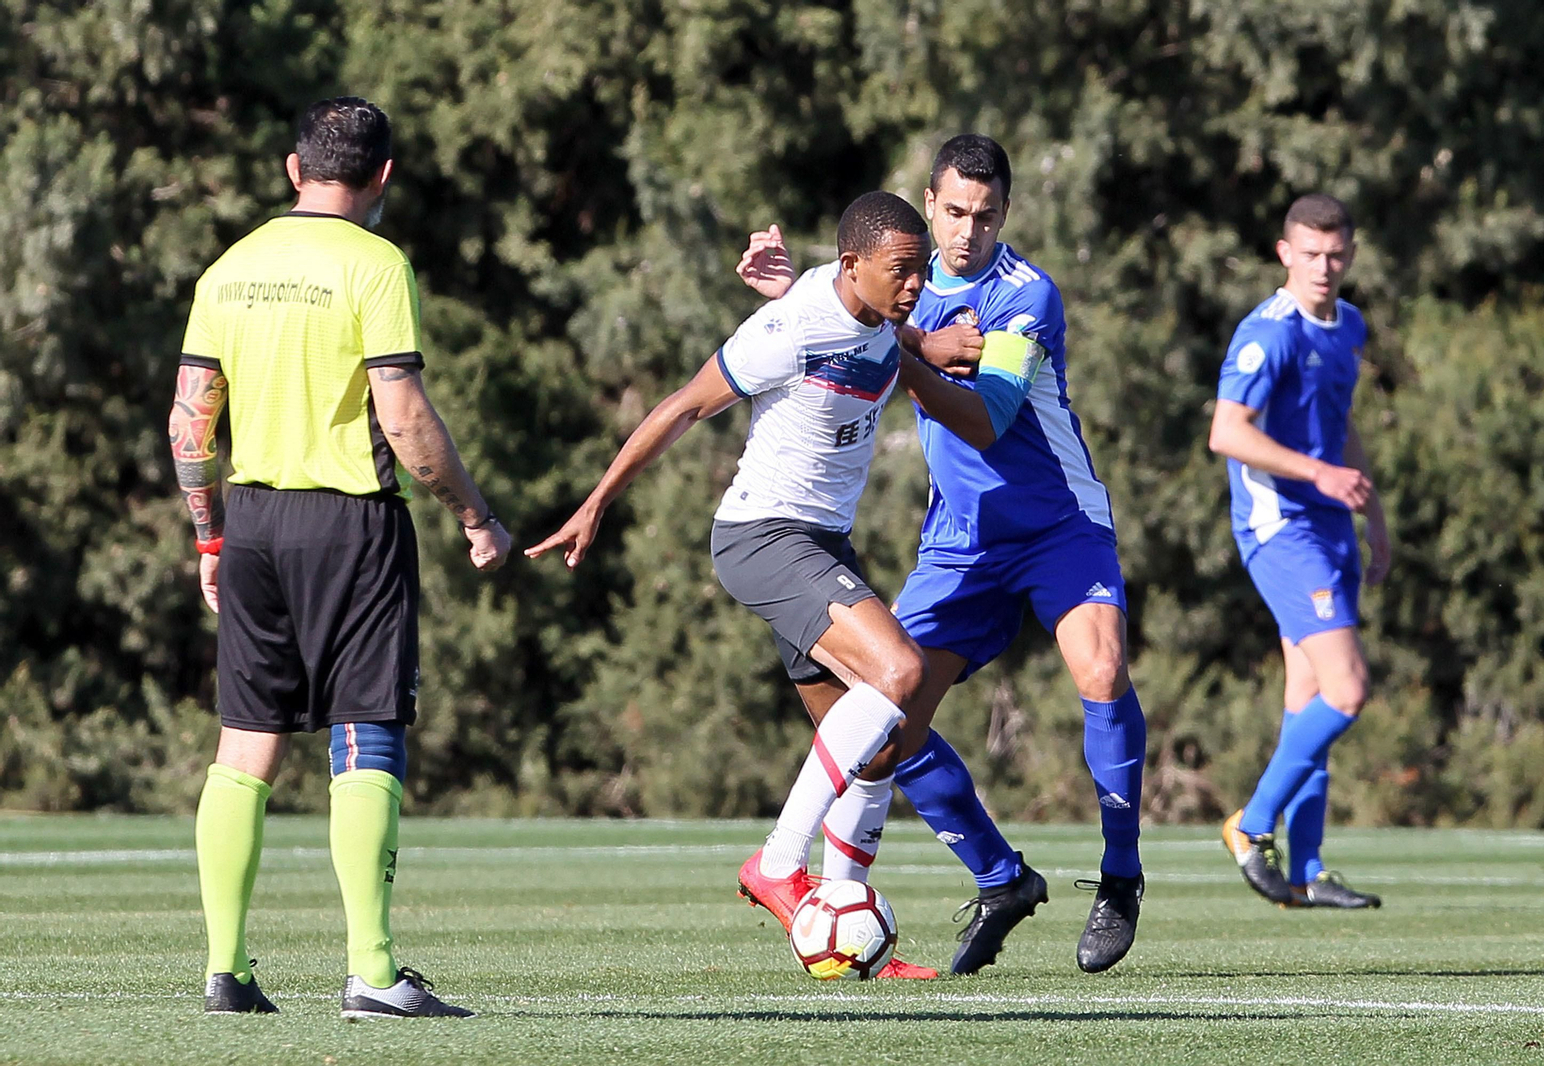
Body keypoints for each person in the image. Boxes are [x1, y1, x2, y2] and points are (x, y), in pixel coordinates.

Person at [529, 191, 999, 979]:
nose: (916, 284)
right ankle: (779, 864)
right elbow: (682, 407)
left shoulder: (880, 315)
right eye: (902, 271)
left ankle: (853, 930)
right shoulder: (792, 325)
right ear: (852, 265)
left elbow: (882, 330)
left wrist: (931, 341)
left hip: (819, 543)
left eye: (921, 271)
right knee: (902, 674)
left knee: (876, 749)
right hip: (763, 537)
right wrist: (595, 504)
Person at [735, 134, 1147, 975]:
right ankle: (1001, 878)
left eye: (986, 215)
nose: (968, 230)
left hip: (1058, 525)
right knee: (881, 729)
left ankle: (1120, 877)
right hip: (960, 542)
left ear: (1006, 215)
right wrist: (804, 296)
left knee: (1100, 672)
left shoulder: (1027, 295)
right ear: (929, 203)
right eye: (954, 211)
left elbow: (984, 417)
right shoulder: (897, 287)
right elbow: (836, 319)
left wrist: (893, 343)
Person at [170, 97, 510, 1018]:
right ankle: (373, 970)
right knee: (367, 727)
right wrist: (474, 514)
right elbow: (403, 417)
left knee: (245, 743)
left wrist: (209, 532)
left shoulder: (228, 267)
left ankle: (226, 970)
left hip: (250, 522)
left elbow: (191, 421)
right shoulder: (376, 263)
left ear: (293, 168)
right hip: (349, 524)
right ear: (383, 177)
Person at [1210, 193, 1387, 909]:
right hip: (1280, 529)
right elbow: (1227, 433)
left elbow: (1340, 430)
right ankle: (1250, 827)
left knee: (1308, 696)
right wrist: (1318, 475)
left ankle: (1308, 871)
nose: (1323, 266)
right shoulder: (1268, 334)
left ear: (1351, 253)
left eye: (1336, 253)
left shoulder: (1348, 326)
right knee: (1348, 690)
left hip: (1331, 529)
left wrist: (1377, 521)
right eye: (1309, 253)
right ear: (1285, 253)